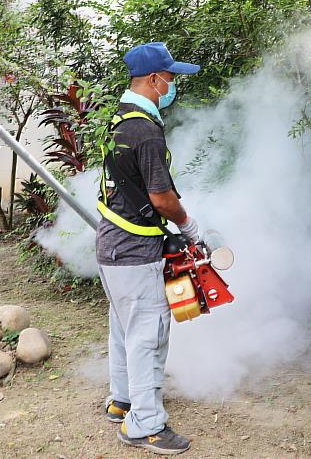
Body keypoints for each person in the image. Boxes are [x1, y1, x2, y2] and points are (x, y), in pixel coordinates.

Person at [95, 42, 201, 455]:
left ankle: (123, 401)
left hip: (111, 246)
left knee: (124, 330)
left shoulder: (120, 120)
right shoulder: (145, 132)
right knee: (148, 336)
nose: (173, 84)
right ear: (154, 80)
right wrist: (188, 225)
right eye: (171, 77)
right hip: (135, 251)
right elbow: (161, 198)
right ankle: (146, 426)